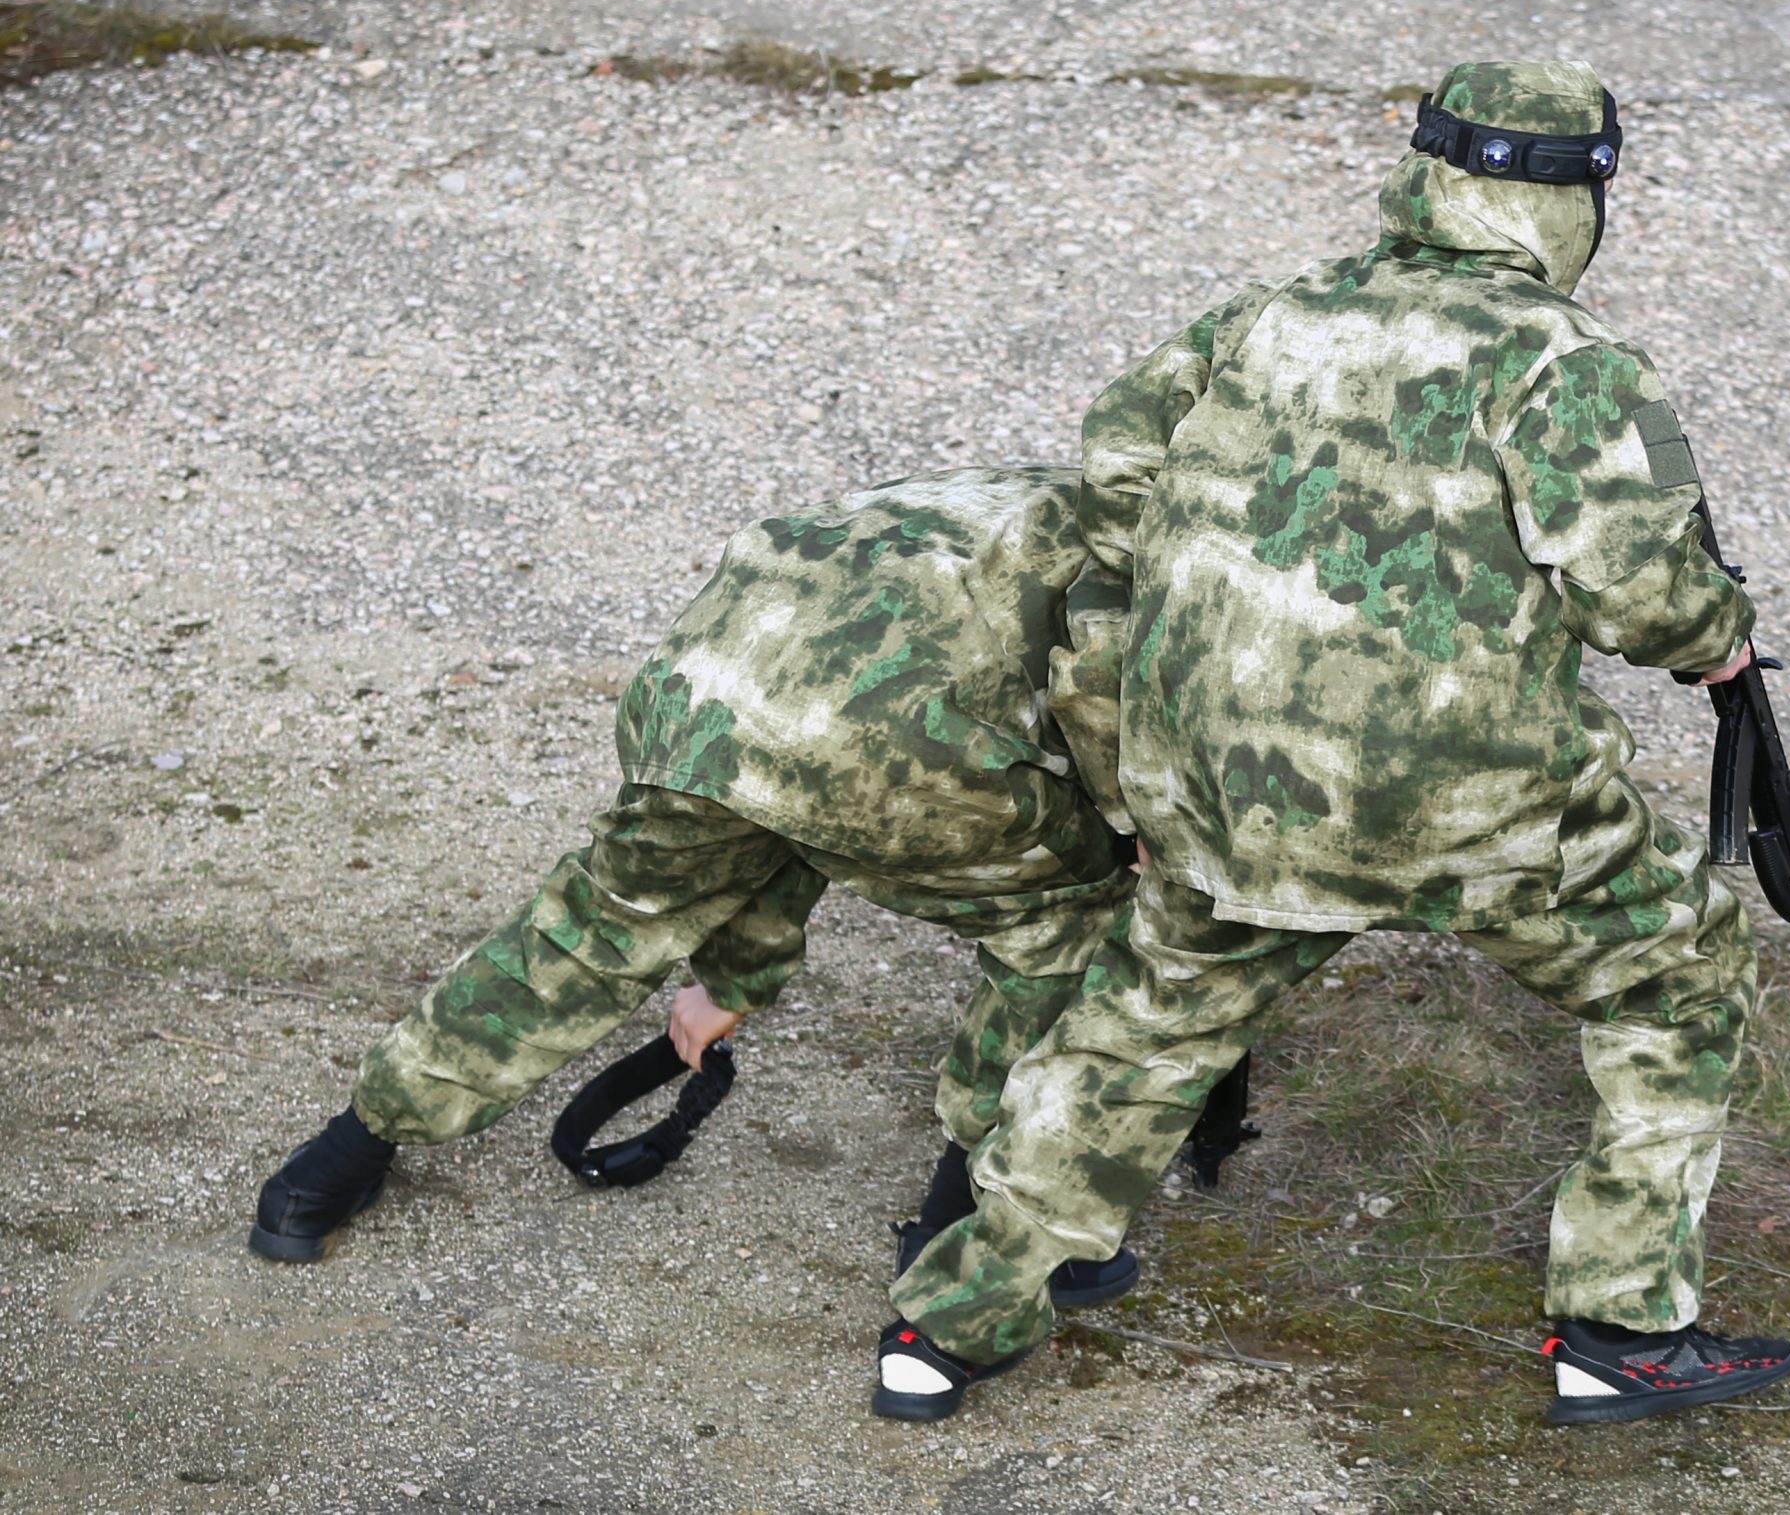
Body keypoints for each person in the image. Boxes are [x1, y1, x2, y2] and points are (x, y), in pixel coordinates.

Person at [877, 61, 1790, 1426]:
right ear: (1579, 198)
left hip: (1227, 788)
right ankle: (1619, 1325)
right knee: (1677, 974)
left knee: (1139, 1036)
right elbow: (1638, 590)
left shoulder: (1265, 316)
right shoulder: (1571, 359)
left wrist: (1180, 669)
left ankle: (943, 1330)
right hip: (1471, 802)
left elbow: (1115, 478)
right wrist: (1717, 638)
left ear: (1423, 170)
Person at [250, 465, 1149, 1311]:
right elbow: (1083, 697)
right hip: (896, 736)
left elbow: (789, 794)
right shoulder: (1174, 556)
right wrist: (1137, 821)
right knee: (1072, 927)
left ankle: (325, 1171)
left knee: (594, 927)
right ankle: (976, 1230)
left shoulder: (1028, 485)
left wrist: (733, 980)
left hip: (703, 686)